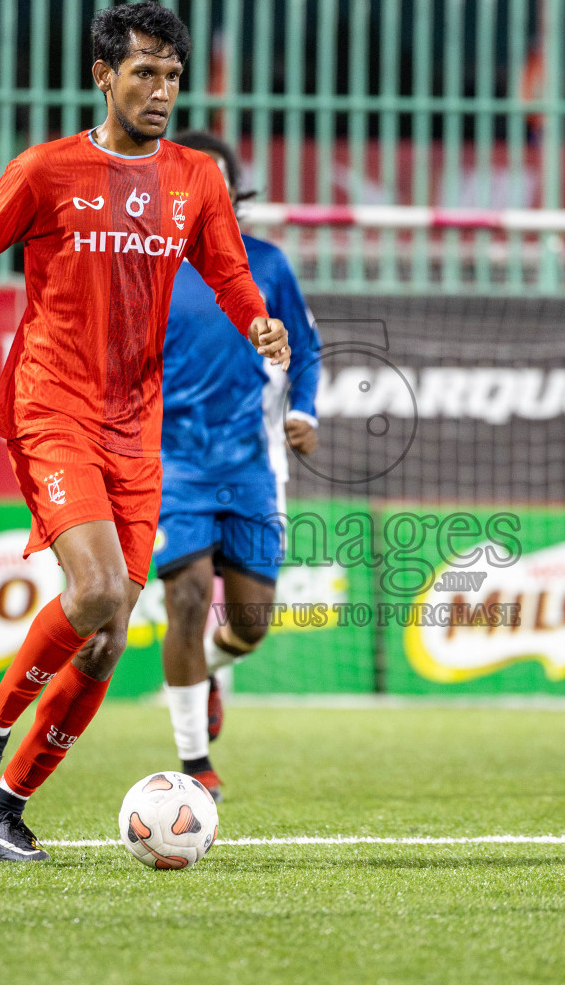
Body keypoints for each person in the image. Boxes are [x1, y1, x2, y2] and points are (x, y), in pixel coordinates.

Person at [0, 1, 289, 863]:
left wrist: (257, 319)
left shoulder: (196, 178)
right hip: (52, 406)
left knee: (105, 639)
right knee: (95, 592)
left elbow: (227, 270)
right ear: (103, 75)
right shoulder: (46, 170)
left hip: (136, 426)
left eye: (173, 76)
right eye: (144, 73)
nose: (162, 90)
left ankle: (6, 806)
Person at [153, 130, 322, 801]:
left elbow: (306, 350)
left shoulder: (268, 265)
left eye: (218, 185)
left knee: (251, 624)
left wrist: (304, 411)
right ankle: (194, 762)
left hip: (252, 463)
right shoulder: (147, 265)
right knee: (187, 598)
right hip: (172, 461)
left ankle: (209, 671)